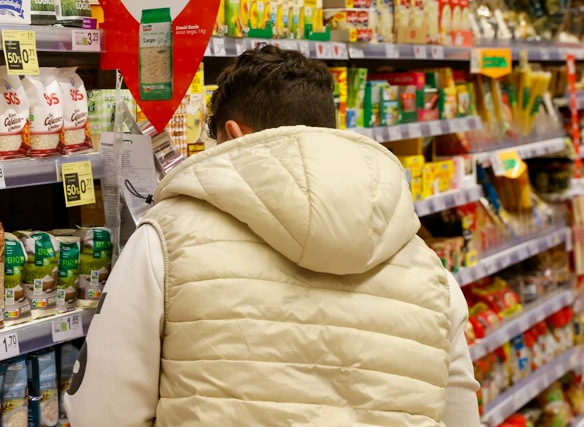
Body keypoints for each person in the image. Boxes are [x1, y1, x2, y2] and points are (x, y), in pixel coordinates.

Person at [65, 45, 480, 427]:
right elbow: (460, 415)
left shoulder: (165, 242)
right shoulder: (429, 270)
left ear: (233, 135)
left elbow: (101, 412)